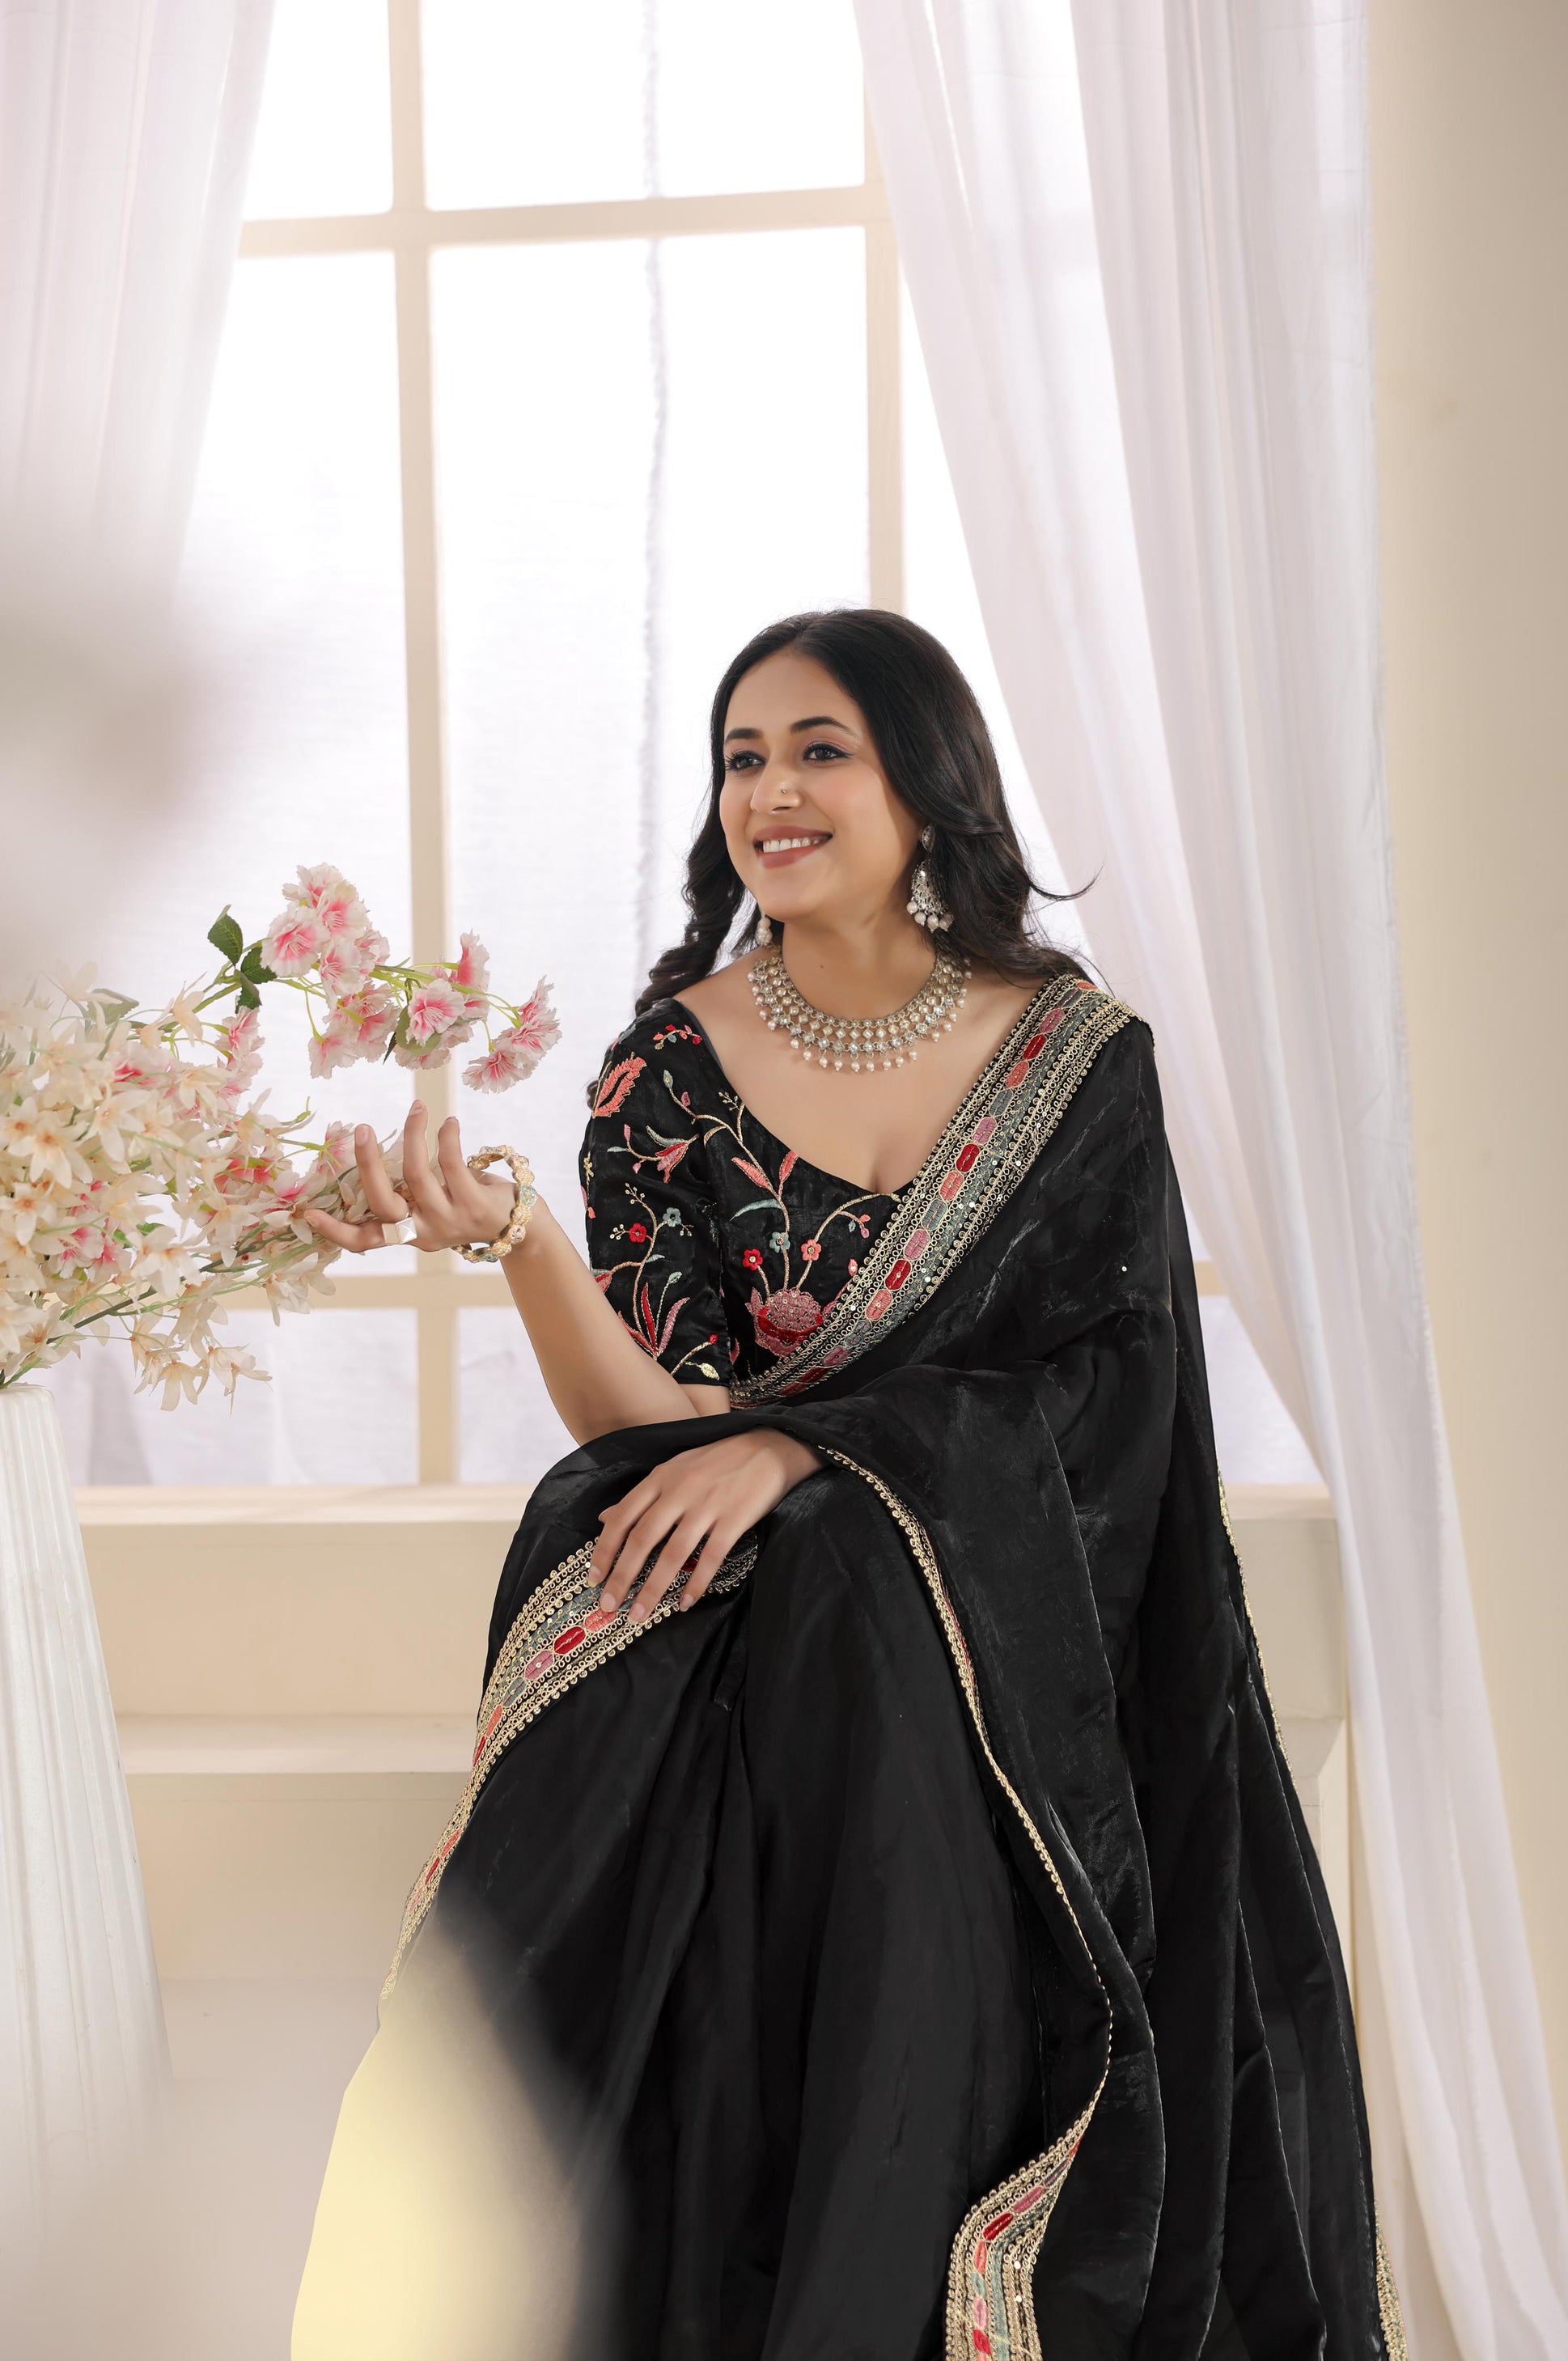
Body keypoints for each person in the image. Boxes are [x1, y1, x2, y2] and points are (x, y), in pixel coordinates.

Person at [298, 612, 1403, 2360]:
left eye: (820, 749)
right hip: (750, 1624)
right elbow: (653, 1420)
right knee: (776, 1574)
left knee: (850, 1562)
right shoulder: (667, 1068)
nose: (771, 792)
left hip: (1005, 1631)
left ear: (926, 783)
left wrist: (819, 1445)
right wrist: (518, 1239)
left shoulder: (1073, 1060)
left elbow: (1112, 1404)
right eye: (742, 757)